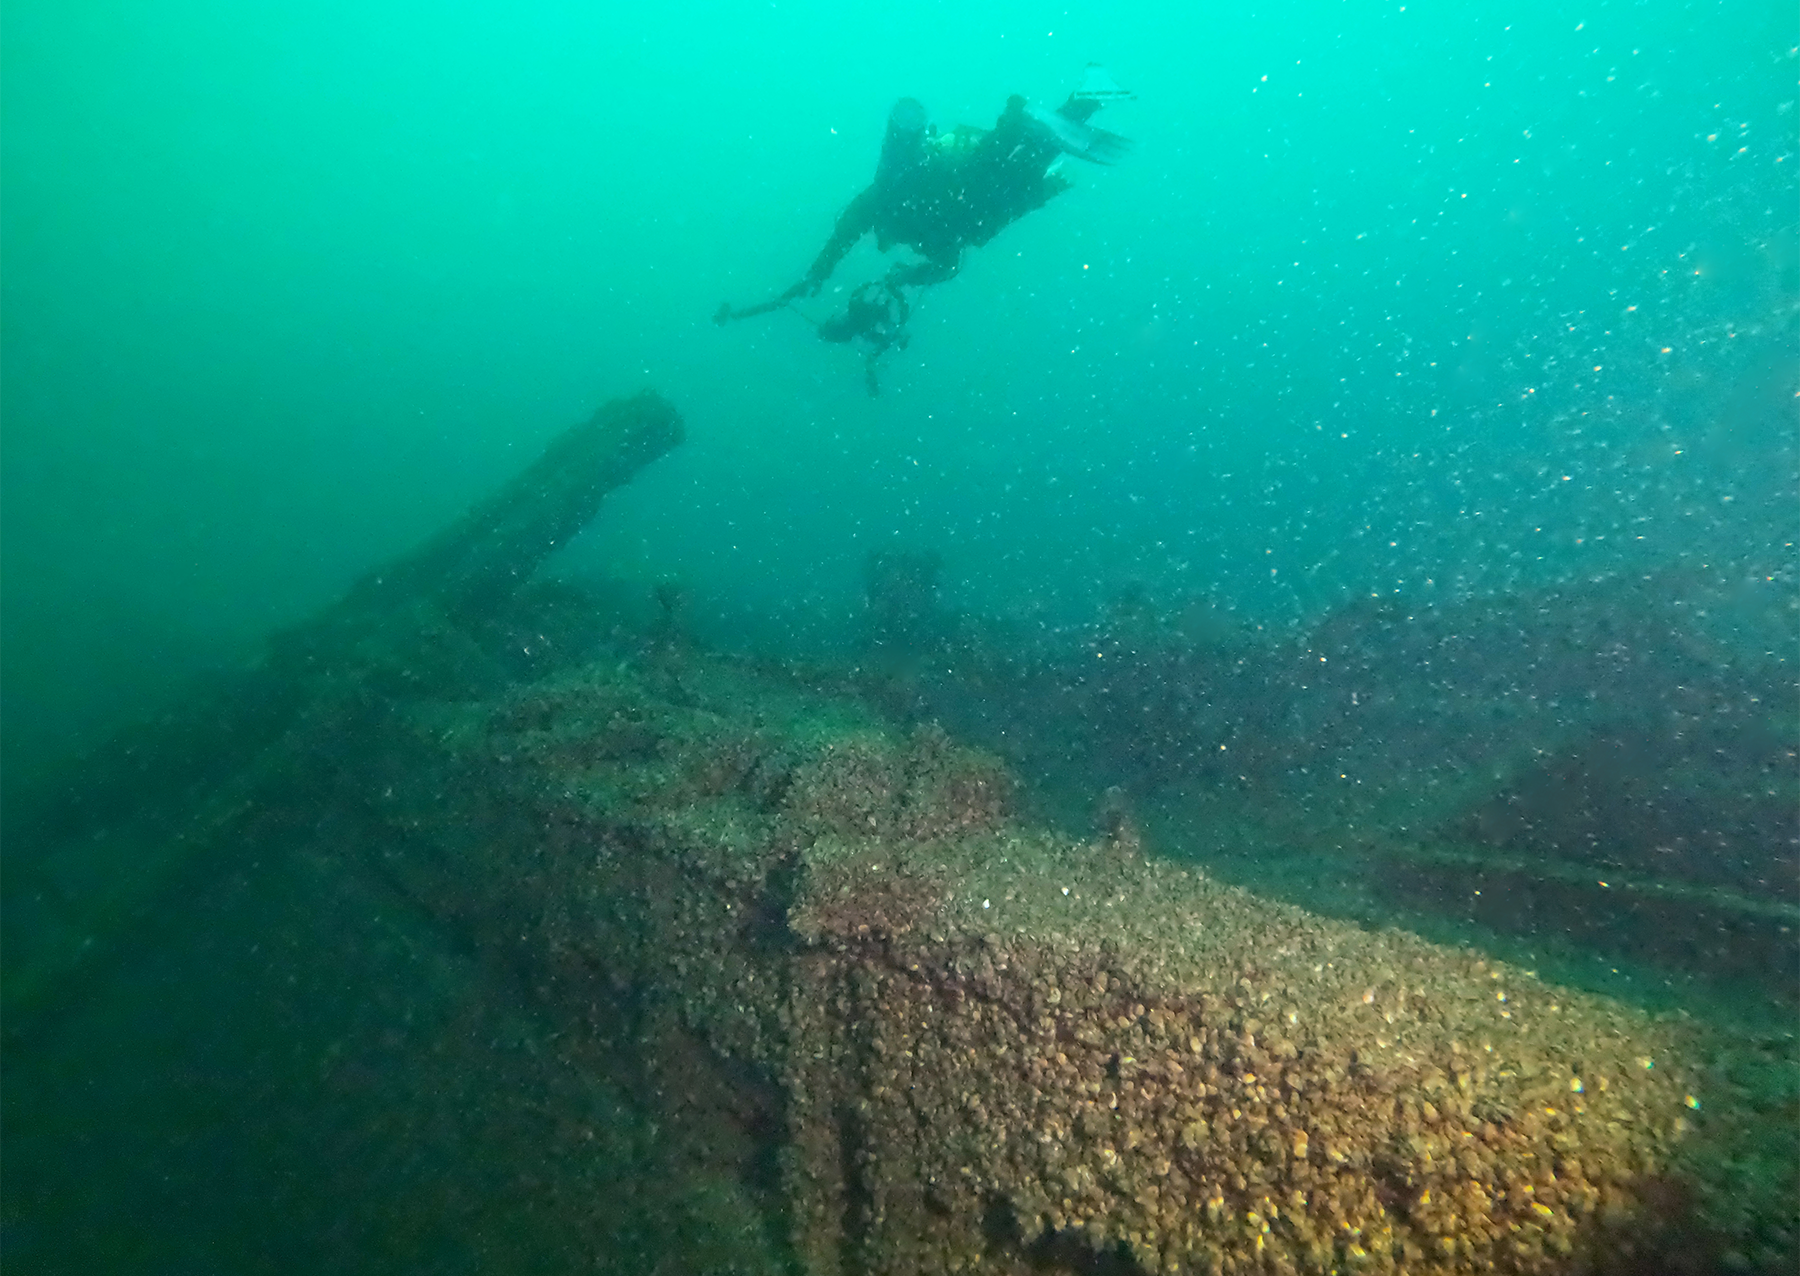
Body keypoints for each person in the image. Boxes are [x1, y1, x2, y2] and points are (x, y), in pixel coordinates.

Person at [716, 65, 1133, 394]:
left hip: (949, 194)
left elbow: (853, 235)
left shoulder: (896, 220)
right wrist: (830, 274)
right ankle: (1080, 98)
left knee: (1008, 181)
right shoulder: (894, 216)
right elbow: (851, 235)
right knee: (1001, 178)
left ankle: (1031, 119)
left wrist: (821, 276)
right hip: (948, 187)